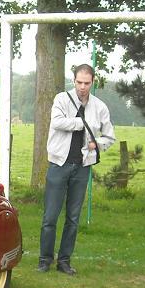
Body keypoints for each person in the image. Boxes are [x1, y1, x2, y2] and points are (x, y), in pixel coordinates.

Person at [38, 64, 115, 275]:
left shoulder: (100, 107)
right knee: (50, 216)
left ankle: (64, 261)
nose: (82, 87)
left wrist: (96, 144)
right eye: (79, 82)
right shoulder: (61, 99)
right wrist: (81, 123)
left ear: (92, 82)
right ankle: (44, 259)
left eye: (86, 83)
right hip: (58, 164)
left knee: (73, 218)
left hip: (82, 167)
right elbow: (57, 123)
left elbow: (110, 137)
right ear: (73, 81)